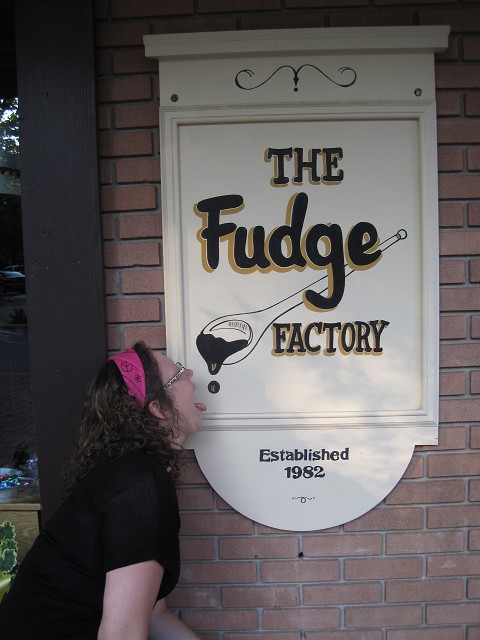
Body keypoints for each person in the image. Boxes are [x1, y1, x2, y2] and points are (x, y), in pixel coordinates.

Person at [0, 341, 207, 639]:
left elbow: (154, 614)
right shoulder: (137, 486)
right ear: (159, 408)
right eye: (178, 373)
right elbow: (121, 633)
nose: (190, 373)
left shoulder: (134, 474)